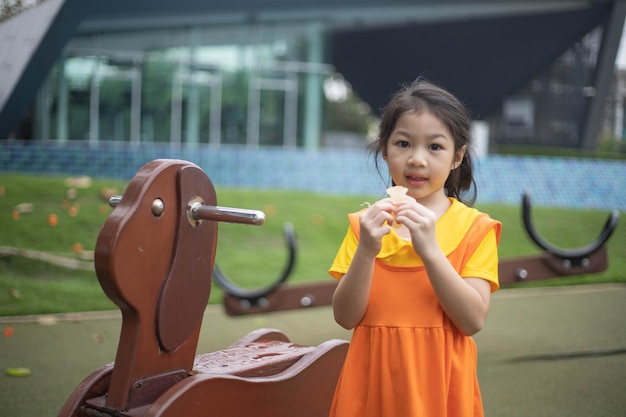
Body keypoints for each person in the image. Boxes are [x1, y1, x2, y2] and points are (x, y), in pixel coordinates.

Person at [328, 78, 502, 417]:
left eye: (435, 147)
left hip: (442, 391)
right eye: (403, 143)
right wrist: (366, 250)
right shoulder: (364, 226)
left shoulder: (475, 229)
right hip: (370, 390)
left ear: (457, 156)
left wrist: (431, 251)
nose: (417, 160)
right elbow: (346, 317)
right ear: (384, 149)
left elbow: (471, 320)